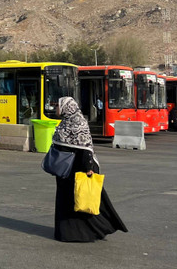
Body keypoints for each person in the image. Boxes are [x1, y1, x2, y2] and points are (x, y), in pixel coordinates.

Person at [50, 96, 128, 242]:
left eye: (59, 106)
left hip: (78, 167)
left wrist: (88, 168)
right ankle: (67, 232)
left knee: (81, 199)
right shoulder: (64, 123)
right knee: (67, 201)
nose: (56, 109)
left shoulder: (79, 123)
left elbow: (86, 148)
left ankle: (93, 230)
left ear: (67, 107)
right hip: (65, 170)